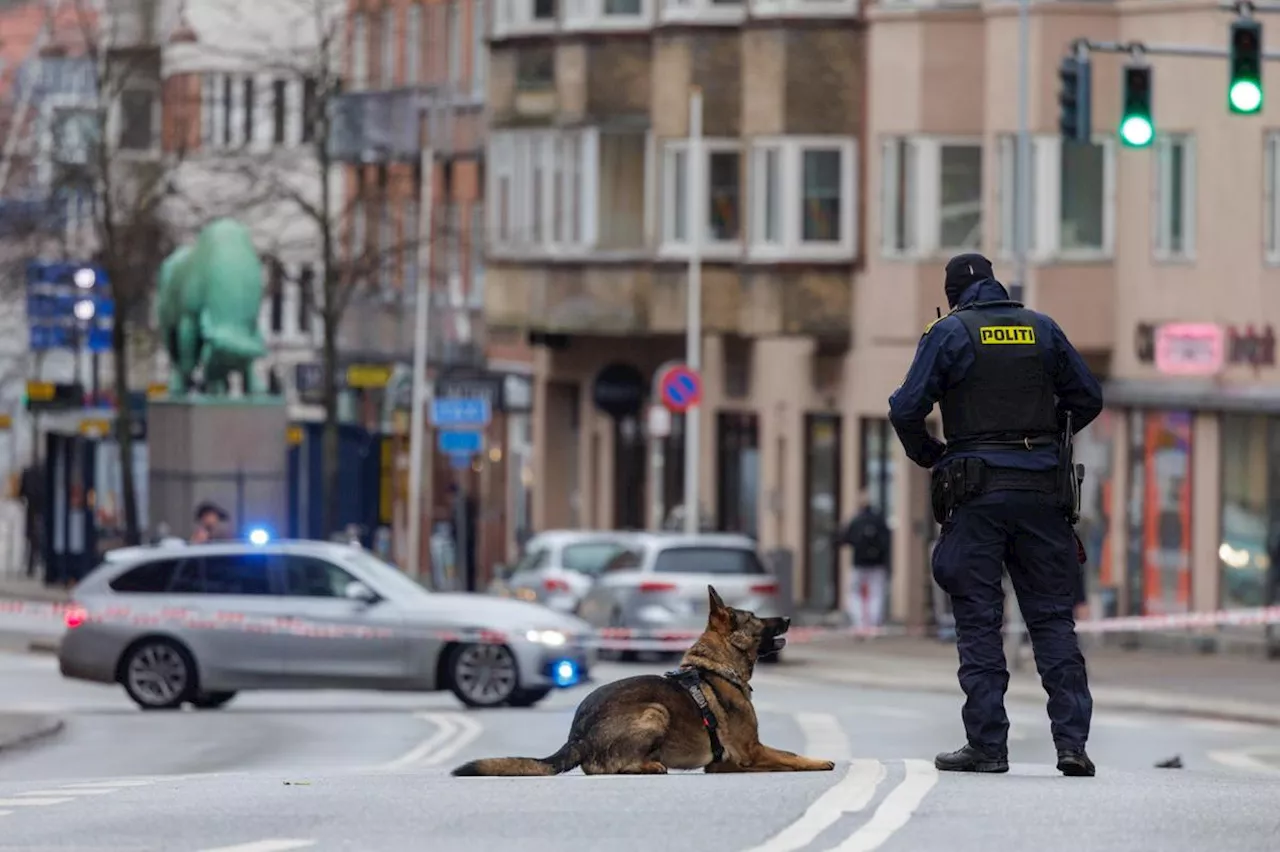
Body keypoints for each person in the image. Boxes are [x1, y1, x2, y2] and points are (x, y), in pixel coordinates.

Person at [887, 253, 1103, 778]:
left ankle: (988, 746)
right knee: (1052, 620)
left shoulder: (950, 332)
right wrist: (1047, 436)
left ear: (955, 293)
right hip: (1041, 494)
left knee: (980, 622)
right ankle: (1071, 744)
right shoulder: (1042, 328)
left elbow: (905, 407)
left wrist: (932, 455)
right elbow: (1089, 397)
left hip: (977, 493)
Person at [837, 490, 892, 629]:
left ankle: (859, 622)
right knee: (876, 592)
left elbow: (844, 539)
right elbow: (887, 541)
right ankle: (874, 622)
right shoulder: (879, 519)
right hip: (877, 563)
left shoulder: (856, 520)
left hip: (859, 562)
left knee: (854, 592)